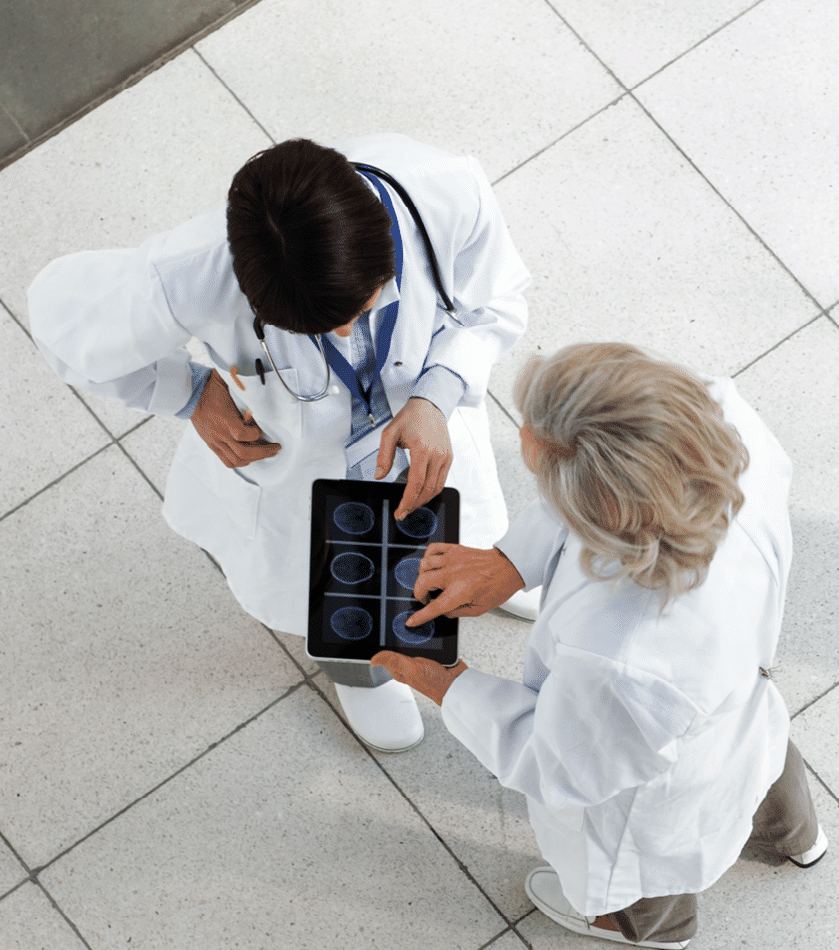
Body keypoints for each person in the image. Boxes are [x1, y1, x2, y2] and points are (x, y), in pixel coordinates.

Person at [27, 134, 531, 753]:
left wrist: (439, 390)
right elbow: (61, 321)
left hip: (425, 424)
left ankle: (500, 570)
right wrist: (184, 393)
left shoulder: (443, 191)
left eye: (363, 306)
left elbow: (493, 300)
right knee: (324, 587)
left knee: (460, 521)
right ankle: (361, 669)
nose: (347, 332)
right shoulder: (186, 270)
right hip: (296, 464)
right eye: (317, 329)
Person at [372, 342, 825, 950]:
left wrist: (444, 682)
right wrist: (511, 561)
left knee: (649, 855)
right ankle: (796, 837)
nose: (525, 440)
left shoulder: (626, 654)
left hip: (653, 790)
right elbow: (609, 477)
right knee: (761, 764)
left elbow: (559, 764)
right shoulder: (721, 421)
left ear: (602, 508)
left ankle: (651, 926)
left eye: (541, 462)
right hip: (743, 704)